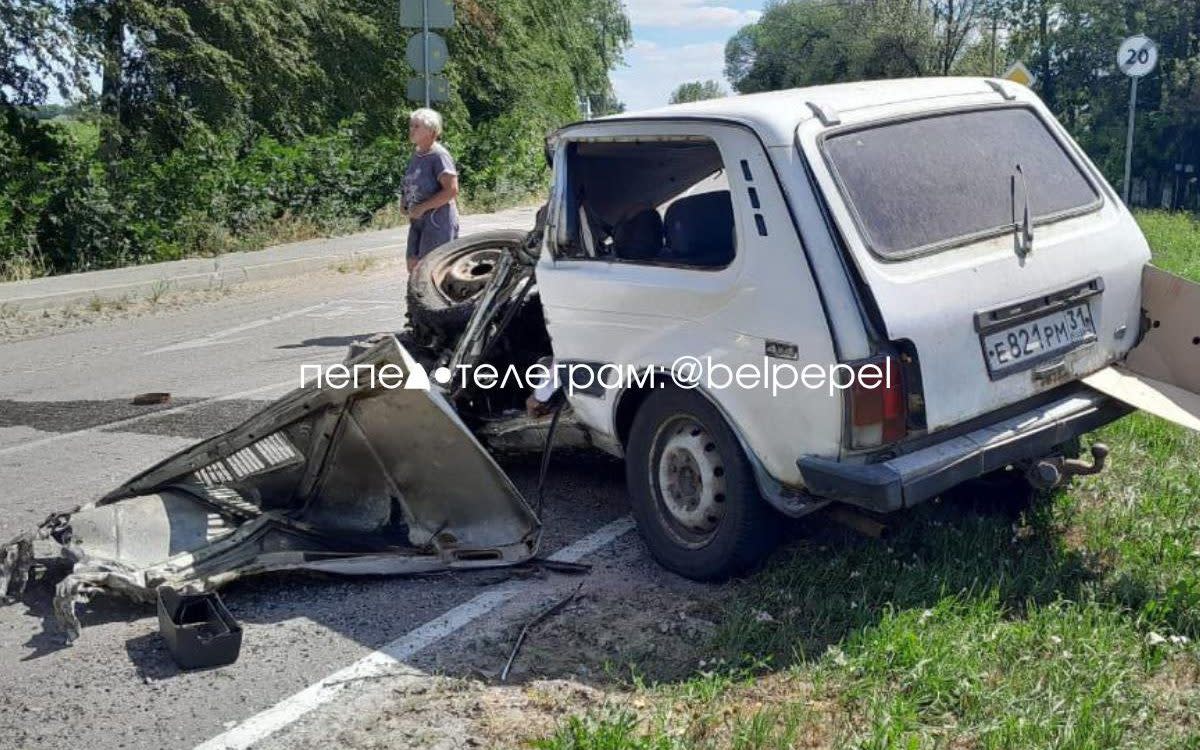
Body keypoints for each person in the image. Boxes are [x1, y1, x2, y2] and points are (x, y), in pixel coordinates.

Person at [401, 108, 460, 272]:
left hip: (438, 221)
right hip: (417, 220)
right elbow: (410, 182)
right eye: (411, 126)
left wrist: (423, 207)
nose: (411, 130)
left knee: (432, 270)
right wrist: (404, 202)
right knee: (413, 267)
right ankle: (417, 298)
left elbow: (452, 190)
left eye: (417, 126)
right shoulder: (417, 154)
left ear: (431, 131)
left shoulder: (439, 156)